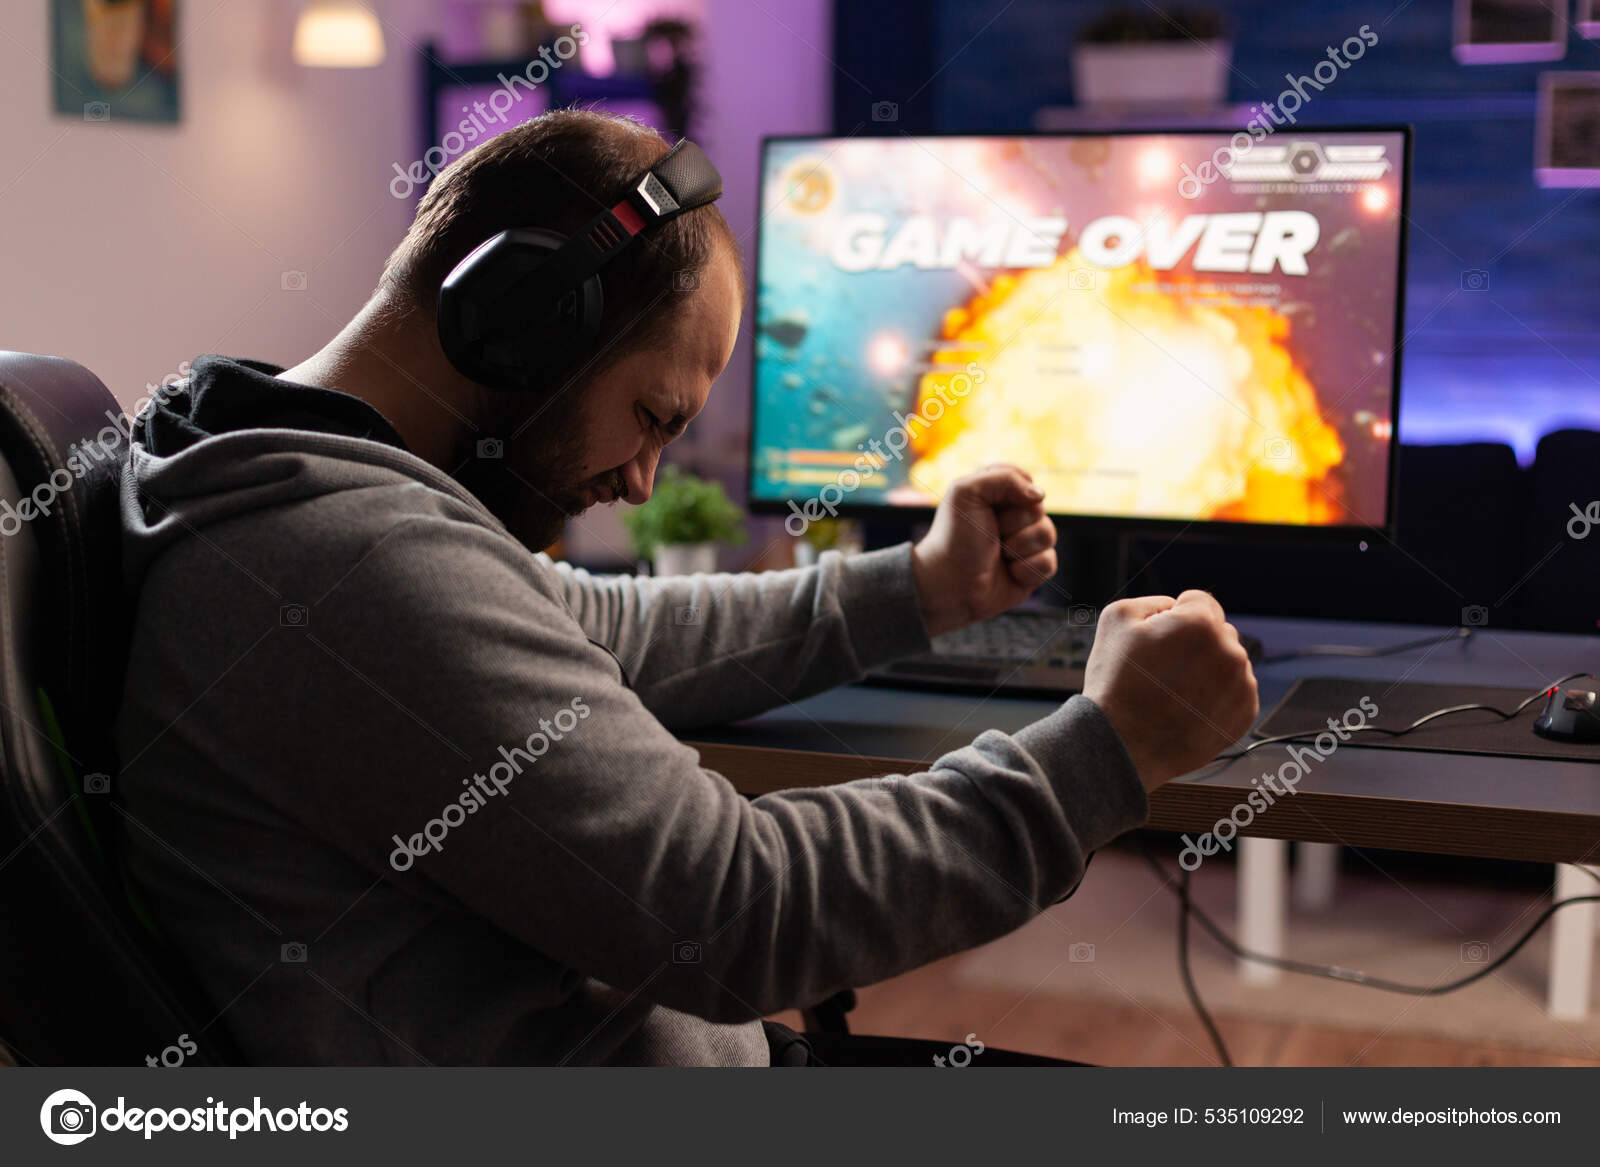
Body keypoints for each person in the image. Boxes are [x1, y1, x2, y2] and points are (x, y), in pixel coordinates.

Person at [114, 109, 1258, 1067]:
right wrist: (1110, 748)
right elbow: (739, 915)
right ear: (523, 321)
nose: (642, 476)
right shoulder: (350, 564)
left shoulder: (260, 465)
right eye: (654, 417)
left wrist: (919, 587)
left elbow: (599, 626)